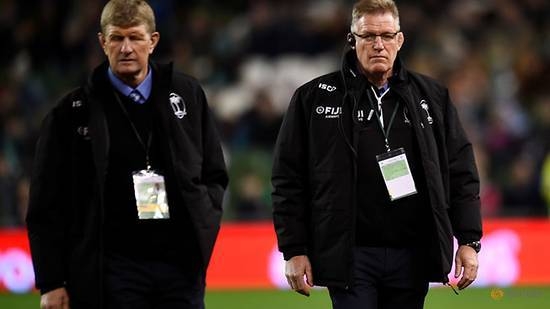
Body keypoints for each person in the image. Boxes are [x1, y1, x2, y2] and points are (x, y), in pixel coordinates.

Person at [272, 0, 482, 308]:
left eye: (386, 35)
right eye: (368, 36)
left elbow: (461, 172)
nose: (378, 44)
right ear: (352, 40)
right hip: (350, 254)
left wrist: (468, 240)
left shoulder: (432, 97)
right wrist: (294, 249)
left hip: (412, 253)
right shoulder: (313, 98)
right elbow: (288, 178)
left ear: (400, 40)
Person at [26, 0, 228, 308]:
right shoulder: (70, 113)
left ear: (153, 41)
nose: (126, 47)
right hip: (111, 268)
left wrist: (202, 228)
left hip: (180, 266)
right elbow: (45, 203)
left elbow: (214, 173)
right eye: (117, 38)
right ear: (102, 42)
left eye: (134, 37)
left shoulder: (187, 94)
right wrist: (52, 281)